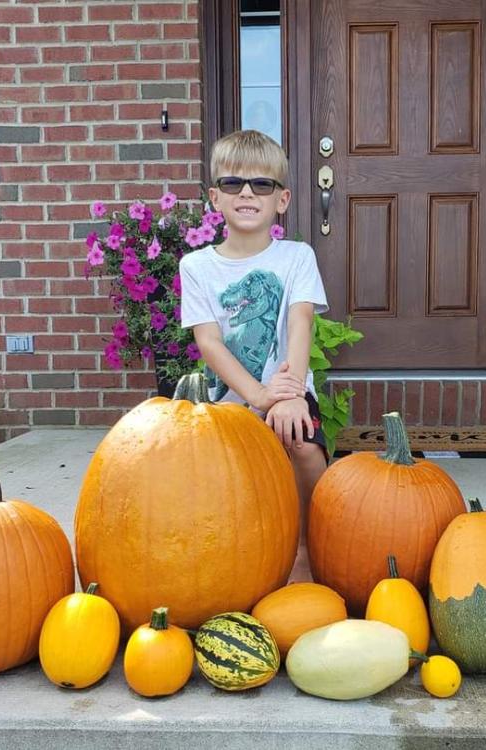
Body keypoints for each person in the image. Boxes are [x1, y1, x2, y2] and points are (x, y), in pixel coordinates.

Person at [178, 129, 329, 582]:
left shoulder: (296, 257)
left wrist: (290, 393)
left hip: (287, 389)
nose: (246, 192)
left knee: (301, 441)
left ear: (281, 200)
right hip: (230, 403)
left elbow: (301, 322)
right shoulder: (197, 267)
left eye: (261, 185)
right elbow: (210, 343)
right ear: (214, 198)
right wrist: (259, 396)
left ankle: (309, 542)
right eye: (233, 184)